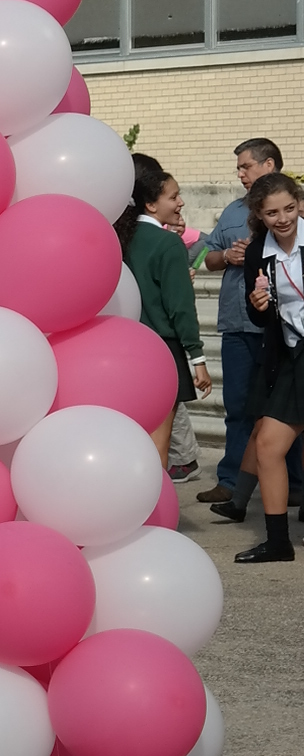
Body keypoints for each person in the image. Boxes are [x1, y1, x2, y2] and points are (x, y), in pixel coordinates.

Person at [201, 136, 302, 520]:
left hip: (289, 344)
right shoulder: (240, 222)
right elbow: (204, 258)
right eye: (271, 213)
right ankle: (236, 492)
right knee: (251, 414)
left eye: (246, 165)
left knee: (277, 423)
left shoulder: (295, 227)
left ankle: (289, 490)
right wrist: (227, 258)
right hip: (257, 335)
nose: (240, 173)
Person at [119, 155, 211, 476]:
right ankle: (155, 501)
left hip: (126, 346)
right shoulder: (168, 243)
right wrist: (197, 358)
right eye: (173, 196)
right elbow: (180, 307)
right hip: (162, 350)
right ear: (151, 204)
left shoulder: (122, 237)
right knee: (158, 443)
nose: (180, 202)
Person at [235, 169, 304, 566]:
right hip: (290, 354)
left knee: (269, 444)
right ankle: (278, 541)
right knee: (267, 445)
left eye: (289, 209)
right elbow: (258, 316)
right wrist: (259, 306)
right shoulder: (258, 252)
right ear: (259, 214)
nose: (283, 219)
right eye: (272, 212)